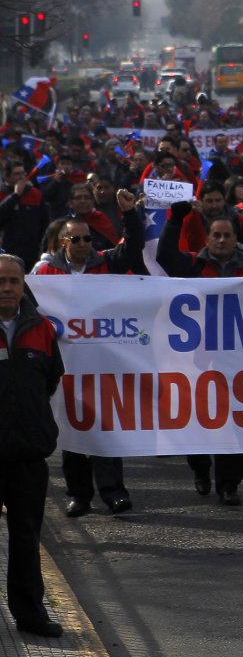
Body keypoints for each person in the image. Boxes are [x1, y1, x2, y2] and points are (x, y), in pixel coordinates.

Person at [32, 193, 144, 516]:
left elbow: (132, 248)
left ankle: (113, 492)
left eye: (87, 238)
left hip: (104, 363)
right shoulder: (45, 275)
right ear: (63, 242)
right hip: (67, 367)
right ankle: (79, 495)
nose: (84, 244)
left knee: (105, 429)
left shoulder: (105, 262)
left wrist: (129, 214)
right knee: (73, 432)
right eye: (76, 239)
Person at [157, 206, 243, 504]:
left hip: (235, 361)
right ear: (208, 238)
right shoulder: (193, 266)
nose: (222, 240)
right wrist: (175, 221)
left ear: (235, 238)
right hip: (195, 361)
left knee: (233, 425)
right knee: (198, 419)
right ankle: (200, 468)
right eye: (216, 235)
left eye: (227, 235)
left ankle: (228, 485)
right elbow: (164, 257)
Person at [0, 253, 65, 638]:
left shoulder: (41, 329)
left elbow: (50, 381)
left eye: (13, 281)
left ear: (24, 285)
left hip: (27, 456)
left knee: (27, 537)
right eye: (1, 281)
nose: (7, 288)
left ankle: (30, 614)